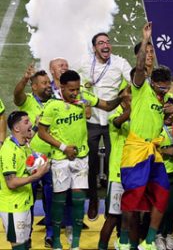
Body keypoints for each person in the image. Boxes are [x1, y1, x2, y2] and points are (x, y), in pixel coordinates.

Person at [37, 70, 121, 250]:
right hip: (61, 159)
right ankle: (58, 242)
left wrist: (122, 97)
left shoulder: (83, 96)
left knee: (77, 200)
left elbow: (106, 106)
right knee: (59, 201)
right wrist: (63, 148)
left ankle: (75, 243)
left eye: (77, 89)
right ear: (61, 87)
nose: (75, 93)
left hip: (81, 158)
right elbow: (42, 132)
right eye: (71, 90)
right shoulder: (52, 106)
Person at [120, 22, 172, 250]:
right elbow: (140, 68)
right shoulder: (141, 88)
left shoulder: (163, 99)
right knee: (132, 202)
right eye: (160, 88)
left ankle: (149, 242)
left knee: (162, 195)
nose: (162, 91)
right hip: (135, 151)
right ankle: (126, 242)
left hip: (154, 152)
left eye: (166, 88)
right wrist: (145, 41)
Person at [78, 32, 132, 221]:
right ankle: (93, 199)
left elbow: (135, 81)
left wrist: (126, 93)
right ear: (94, 48)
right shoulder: (84, 63)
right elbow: (77, 86)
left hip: (113, 122)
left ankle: (112, 203)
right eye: (101, 43)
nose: (105, 45)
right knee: (90, 164)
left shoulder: (120, 63)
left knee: (112, 164)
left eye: (107, 42)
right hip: (91, 120)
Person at [13, 65, 55, 245]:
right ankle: (26, 234)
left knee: (51, 198)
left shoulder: (56, 102)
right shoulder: (28, 100)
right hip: (29, 161)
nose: (48, 85)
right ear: (34, 87)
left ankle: (50, 234)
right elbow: (17, 96)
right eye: (44, 83)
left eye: (48, 82)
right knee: (28, 199)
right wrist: (24, 79)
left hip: (51, 159)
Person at [0, 111, 50, 250]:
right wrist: (36, 175)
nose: (31, 124)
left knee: (25, 243)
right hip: (13, 207)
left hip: (24, 204)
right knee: (19, 246)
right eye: (27, 122)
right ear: (17, 129)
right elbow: (11, 183)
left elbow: (31, 135)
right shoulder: (9, 150)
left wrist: (37, 125)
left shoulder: (23, 144)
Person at [98, 89, 131, 250]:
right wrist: (134, 108)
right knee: (112, 217)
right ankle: (102, 246)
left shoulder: (138, 115)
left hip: (135, 173)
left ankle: (124, 244)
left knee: (130, 215)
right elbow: (118, 122)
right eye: (130, 96)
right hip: (118, 175)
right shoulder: (114, 115)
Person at [157, 99, 173, 250]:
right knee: (160, 207)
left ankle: (170, 233)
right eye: (167, 113)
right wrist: (166, 151)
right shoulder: (155, 128)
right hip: (160, 172)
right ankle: (158, 234)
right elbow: (147, 147)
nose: (171, 116)